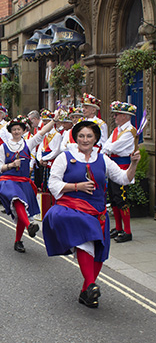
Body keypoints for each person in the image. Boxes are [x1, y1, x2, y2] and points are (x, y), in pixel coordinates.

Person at [42, 121, 140, 308]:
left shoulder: (103, 159)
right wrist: (76, 187)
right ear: (76, 138)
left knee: (99, 254)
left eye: (89, 136)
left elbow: (123, 178)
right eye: (81, 136)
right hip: (72, 208)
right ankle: (92, 284)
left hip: (98, 212)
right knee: (85, 240)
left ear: (95, 138)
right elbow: (53, 184)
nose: (85, 139)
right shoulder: (65, 157)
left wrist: (133, 164)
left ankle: (87, 292)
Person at [0, 114, 58, 253]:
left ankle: (18, 241)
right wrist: (11, 164)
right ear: (10, 131)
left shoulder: (28, 143)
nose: (16, 131)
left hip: (23, 182)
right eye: (14, 129)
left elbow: (42, 132)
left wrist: (54, 121)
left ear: (23, 130)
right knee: (16, 199)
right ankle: (29, 225)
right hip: (8, 180)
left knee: (20, 212)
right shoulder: (3, 147)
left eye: (19, 129)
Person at [102, 101, 137, 243]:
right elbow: (106, 145)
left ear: (125, 116)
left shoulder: (130, 131)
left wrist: (109, 148)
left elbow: (114, 147)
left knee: (121, 198)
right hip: (112, 166)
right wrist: (108, 148)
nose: (115, 116)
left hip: (123, 168)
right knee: (114, 198)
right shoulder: (117, 130)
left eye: (118, 114)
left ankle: (127, 231)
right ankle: (118, 227)